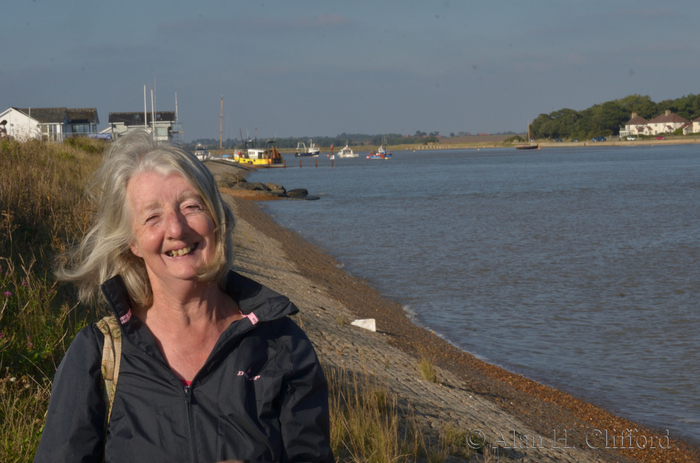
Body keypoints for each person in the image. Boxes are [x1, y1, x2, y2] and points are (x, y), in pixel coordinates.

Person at [34, 130, 333, 462]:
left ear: (216, 219)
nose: (176, 229)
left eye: (191, 206)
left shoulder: (282, 345)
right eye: (152, 217)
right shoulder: (98, 356)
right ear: (132, 242)